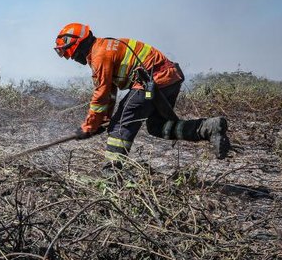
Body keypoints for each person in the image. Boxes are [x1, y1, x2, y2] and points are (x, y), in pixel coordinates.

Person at [54, 23, 230, 166]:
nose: (70, 57)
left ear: (75, 44)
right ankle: (208, 128)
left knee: (121, 123)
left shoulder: (99, 54)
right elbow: (110, 94)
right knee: (158, 126)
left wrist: (89, 126)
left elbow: (100, 95)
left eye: (67, 51)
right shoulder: (104, 47)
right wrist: (102, 120)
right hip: (168, 80)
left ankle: (111, 173)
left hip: (151, 84)